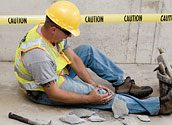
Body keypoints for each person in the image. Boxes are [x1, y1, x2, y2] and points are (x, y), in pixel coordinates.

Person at [14, 1, 172, 115]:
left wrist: (92, 82)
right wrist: (89, 98)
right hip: (43, 91)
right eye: (68, 33)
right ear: (54, 29)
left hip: (53, 72)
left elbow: (74, 59)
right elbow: (54, 93)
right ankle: (158, 106)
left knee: (87, 50)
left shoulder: (49, 30)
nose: (69, 36)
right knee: (102, 95)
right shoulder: (38, 55)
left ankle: (122, 84)